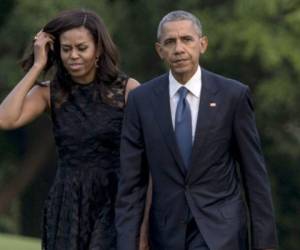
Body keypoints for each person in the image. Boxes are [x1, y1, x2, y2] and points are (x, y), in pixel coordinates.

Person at [116, 10, 277, 250]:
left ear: (202, 44)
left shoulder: (233, 96)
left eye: (187, 39)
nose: (179, 49)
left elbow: (254, 175)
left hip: (222, 233)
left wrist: (264, 244)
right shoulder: (141, 100)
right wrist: (127, 244)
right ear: (160, 50)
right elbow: (131, 182)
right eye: (170, 42)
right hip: (167, 234)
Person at [0, 9, 145, 250]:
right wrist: (38, 66)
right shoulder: (49, 93)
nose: (73, 56)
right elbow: (5, 119)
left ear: (98, 49)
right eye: (66, 49)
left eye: (81, 48)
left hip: (116, 199)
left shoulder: (128, 90)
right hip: (68, 202)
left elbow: (147, 152)